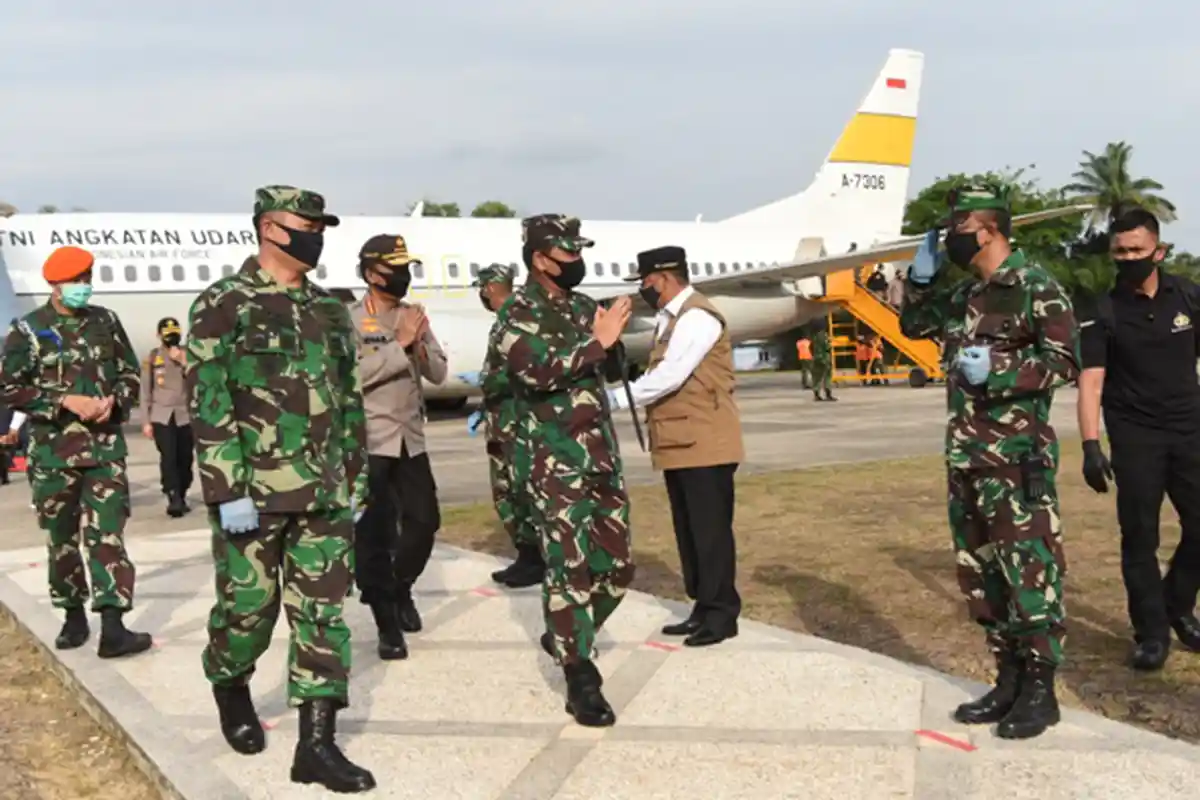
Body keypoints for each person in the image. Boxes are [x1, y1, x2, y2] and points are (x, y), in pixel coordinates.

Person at [185, 185, 374, 793]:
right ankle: (229, 680)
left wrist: (356, 473)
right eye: (307, 223)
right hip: (253, 494)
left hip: (323, 491)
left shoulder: (326, 308)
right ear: (270, 228)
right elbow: (209, 402)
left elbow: (347, 398)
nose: (317, 234)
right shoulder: (223, 304)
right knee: (249, 611)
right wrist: (225, 488)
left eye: (322, 225)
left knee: (323, 616)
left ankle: (316, 746)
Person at [899, 184, 1079, 740]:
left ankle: (1041, 689)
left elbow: (1065, 361)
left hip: (1016, 460)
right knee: (983, 574)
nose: (949, 239)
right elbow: (913, 327)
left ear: (988, 230)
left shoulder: (1034, 286)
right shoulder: (966, 296)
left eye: (956, 229)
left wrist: (999, 373)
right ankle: (1007, 677)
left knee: (1029, 570)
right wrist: (921, 281)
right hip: (967, 456)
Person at [484, 213, 634, 727]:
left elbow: (605, 366)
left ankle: (567, 631)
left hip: (599, 455)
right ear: (540, 259)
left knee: (616, 567)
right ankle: (580, 676)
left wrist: (614, 345)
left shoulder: (583, 307)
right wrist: (600, 342)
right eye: (567, 254)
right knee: (567, 568)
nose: (577, 262)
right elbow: (538, 371)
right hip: (552, 462)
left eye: (578, 252)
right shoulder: (515, 315)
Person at [0, 245, 152, 658]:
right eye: (76, 281)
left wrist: (114, 401)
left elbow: (129, 372)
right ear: (54, 284)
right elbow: (10, 387)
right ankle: (72, 615)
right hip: (52, 455)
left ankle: (114, 626)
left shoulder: (105, 321)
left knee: (108, 537)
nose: (84, 287)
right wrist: (64, 401)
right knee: (61, 539)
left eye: (87, 279)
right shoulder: (28, 330)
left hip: (103, 451)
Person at [1076, 206, 1200, 670]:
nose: (1128, 258)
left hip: (1190, 429)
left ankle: (1178, 604)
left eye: (1136, 250)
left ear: (1159, 251)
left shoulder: (1188, 298)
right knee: (1140, 537)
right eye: (1120, 252)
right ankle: (1151, 632)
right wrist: (1091, 445)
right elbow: (1091, 381)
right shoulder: (1103, 311)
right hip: (1135, 437)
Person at [608, 245, 745, 646]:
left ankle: (722, 614)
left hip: (705, 441)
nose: (644, 290)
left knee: (710, 530)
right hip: (681, 441)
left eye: (647, 282)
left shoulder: (696, 317)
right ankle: (703, 606)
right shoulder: (671, 319)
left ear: (665, 278)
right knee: (689, 530)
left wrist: (616, 398)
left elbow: (671, 374)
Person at [348, 234, 447, 660]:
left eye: (408, 267)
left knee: (424, 522)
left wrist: (420, 342)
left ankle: (399, 587)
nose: (404, 276)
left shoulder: (413, 315)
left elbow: (440, 374)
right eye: (394, 269)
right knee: (373, 535)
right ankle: (387, 622)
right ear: (372, 273)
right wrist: (398, 344)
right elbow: (348, 380)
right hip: (371, 441)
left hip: (410, 440)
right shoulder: (348, 321)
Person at [467, 263, 543, 588]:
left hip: (518, 424)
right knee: (506, 492)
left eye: (483, 288)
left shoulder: (517, 318)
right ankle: (526, 557)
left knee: (520, 491)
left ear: (491, 287)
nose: (482, 294)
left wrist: (487, 381)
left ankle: (534, 559)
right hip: (502, 419)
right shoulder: (504, 319)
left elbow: (520, 369)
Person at [139, 316, 193, 518]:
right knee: (168, 457)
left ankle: (183, 491)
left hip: (185, 415)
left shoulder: (188, 354)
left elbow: (199, 380)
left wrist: (184, 361)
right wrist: (145, 421)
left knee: (185, 459)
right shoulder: (152, 358)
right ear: (159, 336)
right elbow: (145, 391)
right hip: (162, 416)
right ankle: (173, 497)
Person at [810, 327, 836, 401]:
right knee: (827, 376)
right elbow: (827, 346)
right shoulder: (824, 336)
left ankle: (816, 395)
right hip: (825, 358)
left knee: (816, 377)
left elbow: (810, 347)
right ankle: (828, 394)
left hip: (816, 358)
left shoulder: (813, 337)